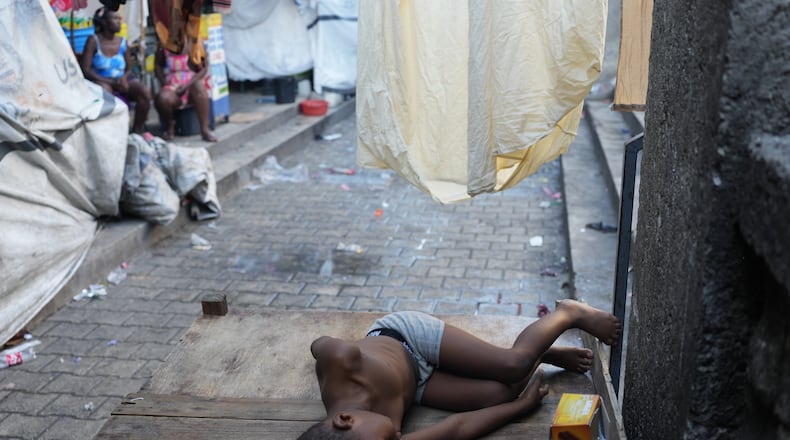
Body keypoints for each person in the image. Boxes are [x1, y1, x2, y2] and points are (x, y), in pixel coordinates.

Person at [299, 299, 621, 440]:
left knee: (513, 365)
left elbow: (320, 345)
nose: (398, 436)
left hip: (405, 338)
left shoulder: (341, 365)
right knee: (501, 393)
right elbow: (459, 428)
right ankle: (543, 352)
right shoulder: (378, 438)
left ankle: (568, 313)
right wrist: (519, 407)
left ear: (344, 420)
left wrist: (319, 347)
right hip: (419, 383)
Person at [80, 7, 152, 134]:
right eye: (115, 19)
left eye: (119, 19)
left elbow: (129, 67)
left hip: (121, 79)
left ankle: (136, 131)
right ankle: (111, 133)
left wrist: (124, 78)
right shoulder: (93, 41)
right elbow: (86, 69)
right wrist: (111, 82)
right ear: (104, 22)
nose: (119, 22)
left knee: (144, 93)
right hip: (101, 80)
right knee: (105, 92)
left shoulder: (122, 42)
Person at [153, 40, 217, 142]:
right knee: (163, 98)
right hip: (172, 84)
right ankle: (170, 127)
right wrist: (165, 82)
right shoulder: (164, 42)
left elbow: (203, 68)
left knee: (199, 88)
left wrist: (187, 85)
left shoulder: (195, 41)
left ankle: (205, 130)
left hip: (192, 82)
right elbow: (157, 65)